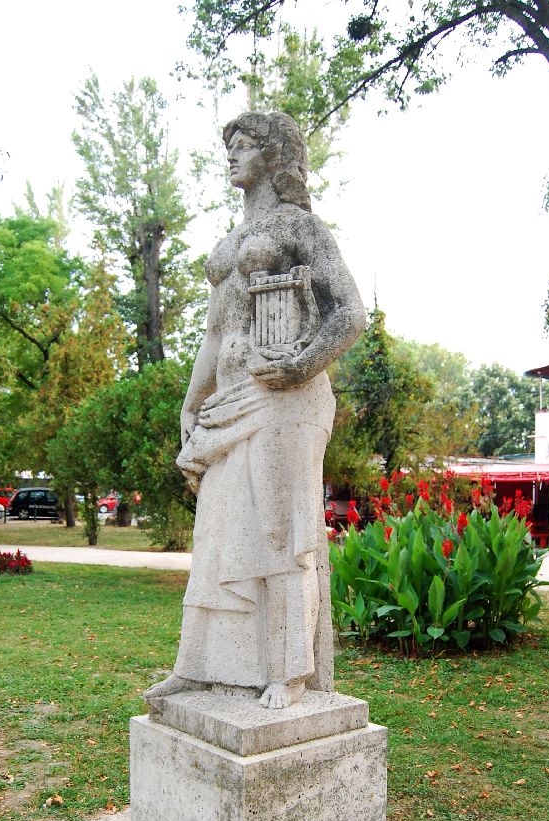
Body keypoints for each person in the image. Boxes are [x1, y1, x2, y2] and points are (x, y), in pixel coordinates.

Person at [144, 111, 365, 712]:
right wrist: (192, 401)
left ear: (275, 156)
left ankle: (288, 670)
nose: (232, 156)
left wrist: (302, 365)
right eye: (231, 146)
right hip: (231, 398)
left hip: (287, 398)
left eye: (244, 146)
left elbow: (350, 313)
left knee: (280, 532)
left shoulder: (301, 227)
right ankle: (200, 667)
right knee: (217, 534)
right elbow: (215, 335)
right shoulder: (229, 243)